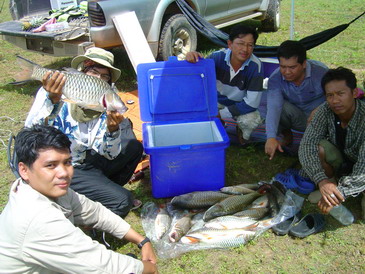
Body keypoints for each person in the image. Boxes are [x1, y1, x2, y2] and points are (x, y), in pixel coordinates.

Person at [0, 125, 158, 273]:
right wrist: (148, 269)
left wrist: (141, 240)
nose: (63, 173)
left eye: (67, 162)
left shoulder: (46, 189)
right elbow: (103, 267)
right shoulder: (39, 220)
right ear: (24, 170)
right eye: (50, 165)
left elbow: (94, 212)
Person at [25, 47, 143, 217]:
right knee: (123, 201)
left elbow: (109, 154)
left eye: (105, 76)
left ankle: (100, 192)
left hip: (84, 158)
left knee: (133, 146)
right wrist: (52, 100)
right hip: (60, 166)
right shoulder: (52, 92)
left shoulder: (103, 103)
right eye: (94, 72)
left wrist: (112, 130)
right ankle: (84, 209)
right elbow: (31, 133)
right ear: (81, 72)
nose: (98, 79)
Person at [298, 67, 365, 219]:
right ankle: (331, 183)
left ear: (354, 93)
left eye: (341, 94)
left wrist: (339, 193)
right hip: (343, 161)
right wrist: (322, 181)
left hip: (362, 167)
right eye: (330, 95)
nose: (335, 101)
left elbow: (364, 168)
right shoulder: (325, 110)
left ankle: (339, 190)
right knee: (317, 147)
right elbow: (306, 145)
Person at [186, 24, 264, 146]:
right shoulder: (216, 57)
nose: (245, 49)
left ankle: (241, 131)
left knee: (250, 120)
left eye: (250, 45)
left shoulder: (256, 66)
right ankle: (219, 124)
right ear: (230, 44)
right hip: (216, 101)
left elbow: (252, 103)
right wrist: (192, 57)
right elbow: (197, 78)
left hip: (239, 103)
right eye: (241, 43)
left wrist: (221, 114)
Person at [265, 40, 328, 160]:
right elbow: (274, 108)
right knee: (275, 109)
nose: (287, 72)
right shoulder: (275, 78)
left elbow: (335, 98)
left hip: (322, 118)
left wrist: (321, 109)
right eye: (283, 67)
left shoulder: (321, 72)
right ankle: (287, 135)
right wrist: (271, 138)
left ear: (304, 64)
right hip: (298, 118)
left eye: (292, 67)